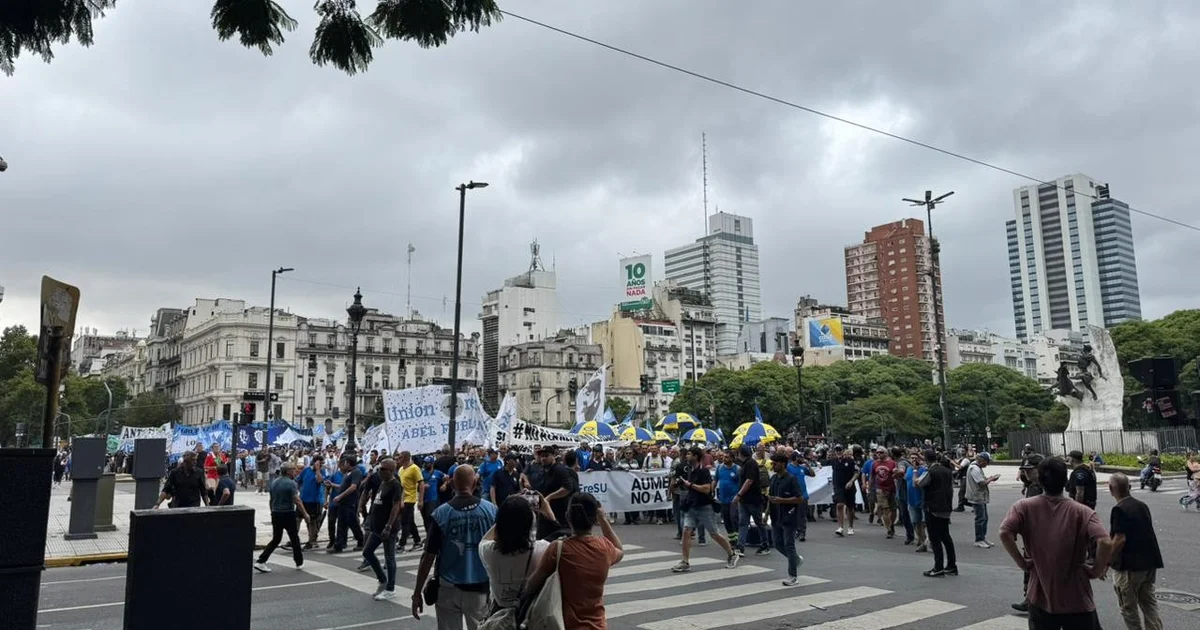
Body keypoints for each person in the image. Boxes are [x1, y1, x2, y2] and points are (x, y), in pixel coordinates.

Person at [999, 457, 1112, 628]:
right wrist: (1096, 569)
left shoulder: (1022, 507)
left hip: (1039, 594)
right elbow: (1104, 541)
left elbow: (1004, 532)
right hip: (1077, 596)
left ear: (1041, 480)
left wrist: (1022, 563)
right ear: (1066, 480)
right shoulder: (1082, 511)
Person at [411, 465, 498, 629]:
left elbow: (428, 556)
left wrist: (417, 593)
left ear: (452, 484)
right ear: (475, 482)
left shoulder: (441, 514)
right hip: (479, 587)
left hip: (448, 588)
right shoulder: (491, 511)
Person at [523, 493, 623, 629]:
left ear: (568, 516)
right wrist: (603, 519)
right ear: (594, 519)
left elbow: (532, 585)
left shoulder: (558, 549)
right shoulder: (604, 548)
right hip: (597, 625)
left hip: (565, 624)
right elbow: (619, 550)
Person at [1107, 473, 1164, 630]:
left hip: (1130, 566)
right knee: (1149, 603)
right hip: (1149, 562)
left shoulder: (1119, 509)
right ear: (1129, 487)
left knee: (1128, 608)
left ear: (1111, 489)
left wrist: (1107, 560)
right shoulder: (1141, 505)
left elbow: (1119, 539)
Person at [478, 495, 551, 611]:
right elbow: (562, 536)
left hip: (500, 616)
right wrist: (546, 510)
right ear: (530, 523)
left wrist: (507, 513)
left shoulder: (488, 552)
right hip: (529, 615)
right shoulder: (542, 549)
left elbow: (485, 539)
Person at [672, 447, 738, 573]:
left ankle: (732, 554)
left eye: (689, 454)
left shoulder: (704, 472)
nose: (687, 456)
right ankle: (685, 561)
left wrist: (690, 485)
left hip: (704, 507)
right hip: (692, 505)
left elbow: (707, 489)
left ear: (696, 456)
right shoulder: (691, 470)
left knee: (714, 533)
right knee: (686, 531)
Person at [254, 463, 310, 572]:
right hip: (288, 513)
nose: (294, 472)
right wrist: (305, 513)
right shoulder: (291, 483)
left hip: (276, 513)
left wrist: (272, 512)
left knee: (276, 539)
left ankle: (261, 561)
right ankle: (299, 562)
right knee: (294, 538)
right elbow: (297, 500)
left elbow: (271, 500)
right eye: (293, 470)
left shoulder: (274, 482)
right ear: (288, 471)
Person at [363, 458, 403, 600]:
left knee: (389, 558)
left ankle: (390, 589)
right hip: (376, 526)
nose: (380, 471)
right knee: (367, 552)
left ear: (391, 470)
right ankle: (382, 579)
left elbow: (396, 506)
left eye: (383, 469)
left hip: (388, 528)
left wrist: (388, 526)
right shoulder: (382, 483)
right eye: (379, 468)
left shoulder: (395, 485)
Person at [1012, 454, 1045, 612]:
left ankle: (1032, 599)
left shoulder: (1039, 487)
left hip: (1038, 535)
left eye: (1030, 470)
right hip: (1034, 535)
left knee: (1033, 568)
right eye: (1025, 470)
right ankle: (1030, 598)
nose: (1027, 473)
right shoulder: (1035, 486)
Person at [916, 450, 956, 577]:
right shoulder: (947, 470)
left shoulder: (931, 472)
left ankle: (938, 567)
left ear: (926, 459)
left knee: (934, 538)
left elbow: (920, 483)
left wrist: (916, 472)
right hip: (945, 506)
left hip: (932, 507)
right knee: (946, 536)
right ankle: (951, 565)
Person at [767, 453, 805, 585]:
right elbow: (771, 497)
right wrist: (766, 513)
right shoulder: (773, 479)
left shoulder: (791, 479)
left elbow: (799, 498)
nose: (773, 465)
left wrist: (782, 500)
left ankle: (793, 575)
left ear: (783, 464)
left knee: (789, 544)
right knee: (777, 543)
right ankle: (795, 560)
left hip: (789, 515)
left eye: (775, 463)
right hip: (775, 515)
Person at [734, 445, 770, 555]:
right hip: (746, 499)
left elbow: (749, 481)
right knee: (743, 523)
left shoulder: (750, 464)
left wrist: (739, 495)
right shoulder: (747, 464)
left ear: (741, 454)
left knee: (758, 522)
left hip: (752, 499)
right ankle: (740, 546)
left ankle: (765, 544)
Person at [537, 448, 578, 541]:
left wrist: (549, 497)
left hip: (558, 514)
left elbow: (567, 488)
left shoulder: (560, 470)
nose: (543, 458)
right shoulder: (542, 471)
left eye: (546, 456)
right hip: (544, 514)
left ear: (554, 456)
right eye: (542, 456)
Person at [966, 452, 1000, 548]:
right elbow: (981, 483)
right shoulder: (974, 468)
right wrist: (991, 479)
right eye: (987, 462)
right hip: (977, 496)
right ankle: (979, 539)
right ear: (982, 460)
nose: (987, 464)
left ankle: (982, 537)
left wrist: (989, 478)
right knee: (980, 518)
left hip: (980, 496)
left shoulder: (976, 467)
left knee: (984, 518)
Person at [332, 456, 366, 553]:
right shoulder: (347, 473)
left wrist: (340, 496)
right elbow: (343, 486)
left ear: (349, 463)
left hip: (350, 502)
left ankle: (361, 541)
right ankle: (338, 545)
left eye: (345, 462)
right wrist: (333, 485)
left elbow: (353, 487)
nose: (344, 464)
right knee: (341, 524)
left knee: (353, 523)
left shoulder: (356, 472)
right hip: (343, 503)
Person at [396, 451, 424, 552]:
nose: (398, 459)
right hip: (402, 498)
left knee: (405, 522)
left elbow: (421, 484)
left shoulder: (414, 468)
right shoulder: (400, 469)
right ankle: (417, 541)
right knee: (410, 521)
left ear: (406, 458)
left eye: (400, 457)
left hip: (410, 498)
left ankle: (402, 544)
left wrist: (420, 500)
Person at [296, 455, 325, 549]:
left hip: (314, 500)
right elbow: (298, 480)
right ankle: (294, 538)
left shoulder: (322, 471)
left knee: (312, 521)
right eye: (320, 463)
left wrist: (317, 470)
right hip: (303, 499)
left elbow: (320, 480)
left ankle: (312, 540)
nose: (321, 465)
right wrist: (299, 489)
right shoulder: (306, 470)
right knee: (297, 519)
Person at [830, 445, 858, 537]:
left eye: (840, 450)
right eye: (837, 450)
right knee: (839, 505)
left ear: (843, 451)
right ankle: (840, 527)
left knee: (850, 507)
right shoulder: (834, 461)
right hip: (838, 487)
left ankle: (850, 527)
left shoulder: (850, 461)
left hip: (849, 486)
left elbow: (857, 472)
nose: (838, 452)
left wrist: (851, 481)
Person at [715, 451, 741, 545]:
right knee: (726, 520)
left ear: (732, 458)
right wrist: (712, 489)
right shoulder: (720, 467)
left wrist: (739, 496)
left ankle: (738, 539)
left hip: (734, 499)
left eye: (726, 457)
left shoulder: (737, 469)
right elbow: (715, 480)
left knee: (734, 519)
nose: (724, 459)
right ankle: (732, 540)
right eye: (724, 457)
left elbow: (741, 484)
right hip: (723, 499)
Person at [872, 447, 898, 538]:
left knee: (893, 509)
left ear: (886, 453)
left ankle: (892, 525)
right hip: (880, 489)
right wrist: (870, 487)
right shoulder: (875, 464)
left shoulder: (892, 463)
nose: (879, 454)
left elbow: (896, 475)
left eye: (881, 452)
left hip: (891, 488)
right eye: (877, 452)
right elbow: (872, 476)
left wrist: (895, 473)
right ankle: (889, 529)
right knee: (885, 509)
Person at [904, 452, 927, 553]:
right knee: (915, 522)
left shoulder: (923, 470)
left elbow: (916, 483)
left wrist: (915, 471)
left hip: (921, 499)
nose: (914, 460)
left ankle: (925, 541)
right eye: (912, 458)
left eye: (915, 458)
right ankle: (921, 540)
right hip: (911, 499)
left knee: (923, 522)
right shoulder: (908, 469)